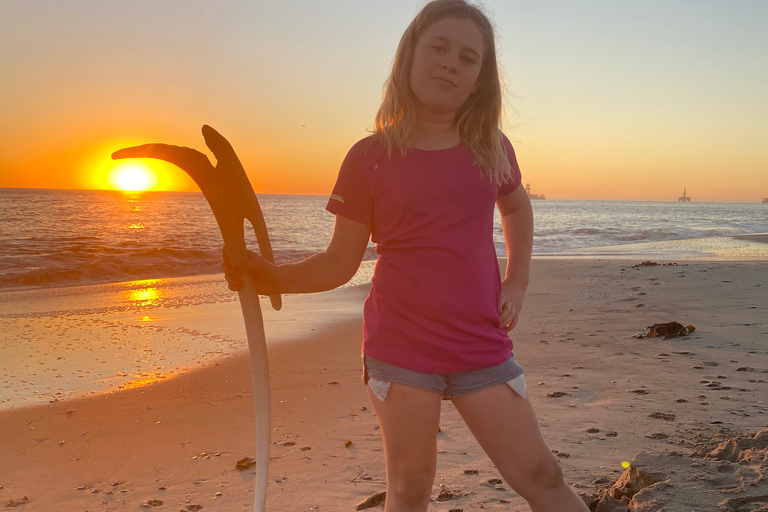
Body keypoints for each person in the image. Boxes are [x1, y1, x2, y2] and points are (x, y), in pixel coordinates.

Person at [223, 1, 590, 511]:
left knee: (541, 473)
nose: (450, 64)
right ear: (409, 56)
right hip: (401, 347)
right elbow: (339, 263)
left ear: (479, 79)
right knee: (411, 485)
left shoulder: (491, 148)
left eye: (468, 58)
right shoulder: (369, 157)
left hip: (480, 342)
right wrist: (271, 279)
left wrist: (518, 281)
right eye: (438, 48)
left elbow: (518, 209)